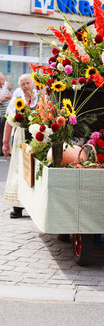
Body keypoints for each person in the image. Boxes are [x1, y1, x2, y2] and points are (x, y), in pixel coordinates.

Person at [2, 74, 37, 218]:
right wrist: (5, 144)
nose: (26, 86)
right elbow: (8, 121)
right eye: (22, 84)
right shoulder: (17, 100)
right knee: (19, 169)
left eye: (28, 83)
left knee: (34, 170)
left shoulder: (40, 98)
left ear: (33, 83)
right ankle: (17, 207)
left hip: (37, 137)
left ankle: (35, 204)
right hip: (20, 137)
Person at [0, 73, 13, 155]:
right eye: (2, 78)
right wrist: (4, 97)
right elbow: (1, 99)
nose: (4, 80)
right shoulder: (3, 88)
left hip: (6, 114)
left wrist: (6, 97)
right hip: (1, 115)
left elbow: (11, 96)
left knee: (4, 134)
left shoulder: (4, 89)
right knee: (2, 134)